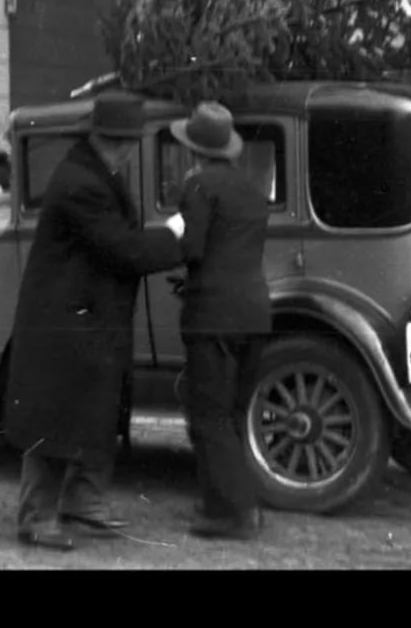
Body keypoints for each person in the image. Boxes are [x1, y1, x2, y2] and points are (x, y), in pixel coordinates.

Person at [1, 91, 184, 551]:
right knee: (56, 419)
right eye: (128, 139)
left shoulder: (94, 171)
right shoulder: (83, 181)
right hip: (66, 321)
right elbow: (123, 250)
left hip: (83, 317)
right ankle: (36, 518)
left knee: (90, 414)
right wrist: (176, 233)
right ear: (114, 140)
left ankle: (83, 501)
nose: (131, 147)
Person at [169, 102, 271, 540]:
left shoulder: (199, 186)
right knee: (230, 414)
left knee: (207, 415)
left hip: (211, 314)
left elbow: (192, 248)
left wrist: (173, 231)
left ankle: (237, 513)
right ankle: (220, 501)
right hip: (255, 313)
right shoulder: (252, 190)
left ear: (194, 149)